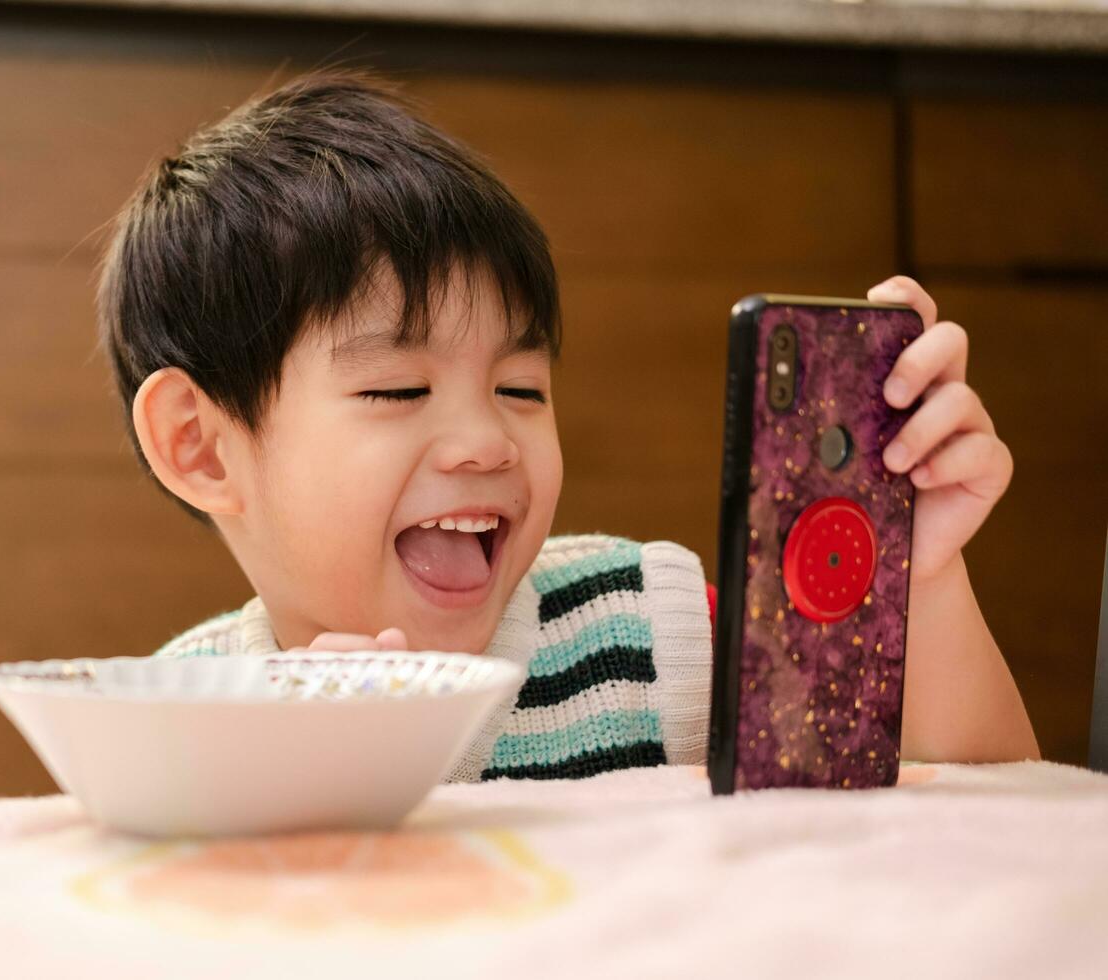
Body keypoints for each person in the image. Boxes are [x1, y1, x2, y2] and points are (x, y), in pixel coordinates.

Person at [95, 70, 1039, 782]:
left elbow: (972, 826)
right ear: (203, 446)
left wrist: (925, 585)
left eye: (520, 389)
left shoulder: (653, 632)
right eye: (398, 392)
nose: (488, 442)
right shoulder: (187, 722)